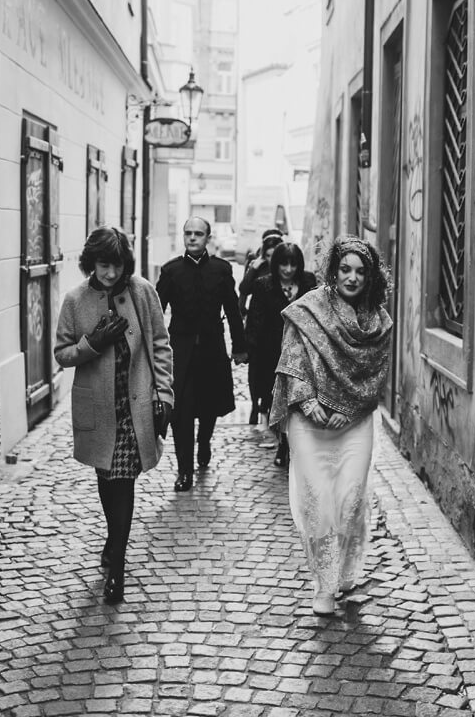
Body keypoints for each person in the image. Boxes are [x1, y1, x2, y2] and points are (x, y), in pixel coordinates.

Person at [269, 235, 393, 616]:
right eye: (345, 270)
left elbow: (377, 376)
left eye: (360, 271)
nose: (352, 278)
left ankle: (344, 567)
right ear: (333, 271)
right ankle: (324, 584)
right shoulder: (308, 310)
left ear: (370, 277)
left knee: (350, 497)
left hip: (354, 422)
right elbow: (292, 359)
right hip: (310, 421)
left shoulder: (380, 323)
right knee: (318, 501)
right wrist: (307, 400)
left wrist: (352, 408)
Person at [54, 226, 174, 604]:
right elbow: (62, 353)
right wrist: (93, 343)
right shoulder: (75, 300)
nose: (111, 274)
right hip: (101, 410)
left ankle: (117, 567)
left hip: (135, 406)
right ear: (92, 263)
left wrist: (164, 394)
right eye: (104, 265)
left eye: (117, 265)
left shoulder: (142, 292)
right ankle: (114, 540)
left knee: (123, 482)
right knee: (110, 481)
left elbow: (160, 344)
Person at [157, 216, 248, 492]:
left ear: (207, 238)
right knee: (180, 413)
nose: (192, 238)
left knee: (209, 407)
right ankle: (184, 471)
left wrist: (240, 347)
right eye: (188, 233)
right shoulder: (171, 271)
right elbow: (157, 312)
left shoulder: (221, 270)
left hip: (212, 349)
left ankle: (204, 442)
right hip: (180, 352)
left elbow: (232, 310)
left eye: (198, 233)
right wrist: (153, 349)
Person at [244, 242, 318, 463]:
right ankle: (282, 443)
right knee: (274, 399)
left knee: (297, 400)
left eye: (293, 264)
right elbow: (255, 321)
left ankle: (292, 444)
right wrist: (250, 350)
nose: (288, 269)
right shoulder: (263, 285)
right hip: (271, 354)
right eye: (283, 264)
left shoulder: (308, 282)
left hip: (302, 353)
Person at [237, 230, 285, 321]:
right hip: (258, 315)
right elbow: (244, 290)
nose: (272, 259)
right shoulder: (257, 264)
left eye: (274, 255)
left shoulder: (286, 267)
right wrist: (253, 268)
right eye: (268, 256)